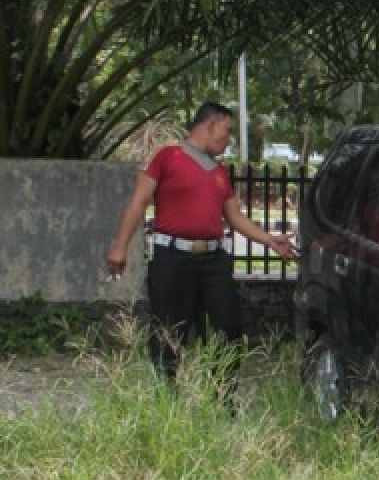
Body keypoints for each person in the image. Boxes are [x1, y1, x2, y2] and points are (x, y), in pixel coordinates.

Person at [106, 102, 298, 377]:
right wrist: (120, 246)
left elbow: (236, 218)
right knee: (169, 331)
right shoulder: (168, 156)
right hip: (172, 259)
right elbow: (138, 201)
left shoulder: (219, 173)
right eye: (227, 130)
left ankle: (222, 398)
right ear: (210, 125)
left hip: (214, 261)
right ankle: (166, 397)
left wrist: (270, 240)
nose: (229, 139)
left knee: (227, 327)